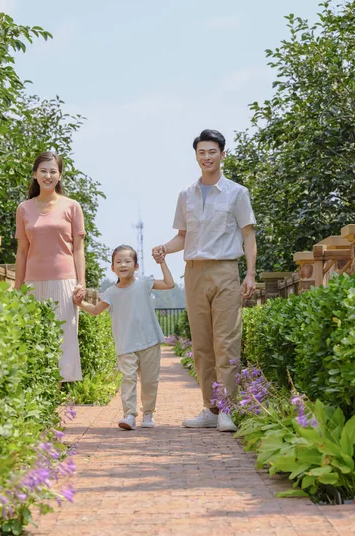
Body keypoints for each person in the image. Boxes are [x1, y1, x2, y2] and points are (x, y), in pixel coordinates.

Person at [152, 129, 257, 432]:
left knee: (226, 342)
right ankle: (209, 409)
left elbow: (248, 236)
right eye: (202, 152)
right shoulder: (186, 195)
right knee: (201, 345)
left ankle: (227, 409)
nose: (207, 157)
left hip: (225, 270)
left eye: (212, 152)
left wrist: (250, 274)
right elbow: (183, 238)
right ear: (196, 156)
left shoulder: (238, 193)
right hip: (194, 272)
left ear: (223, 154)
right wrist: (164, 249)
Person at [73, 245, 174, 430]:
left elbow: (169, 283)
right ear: (112, 268)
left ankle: (148, 414)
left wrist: (162, 262)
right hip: (125, 344)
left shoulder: (143, 283)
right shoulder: (111, 292)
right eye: (118, 261)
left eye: (128, 261)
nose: (123, 264)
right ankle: (129, 415)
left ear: (136, 266)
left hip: (149, 341)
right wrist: (80, 304)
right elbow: (96, 311)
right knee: (128, 379)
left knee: (150, 381)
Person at [15, 151, 86, 382]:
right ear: (35, 175)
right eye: (43, 171)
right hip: (32, 283)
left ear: (60, 175)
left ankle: (57, 397)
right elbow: (22, 251)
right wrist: (18, 288)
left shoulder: (72, 206)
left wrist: (81, 283)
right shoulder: (24, 208)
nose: (48, 175)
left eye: (53, 171)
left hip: (65, 282)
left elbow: (78, 249)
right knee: (34, 339)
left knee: (64, 340)